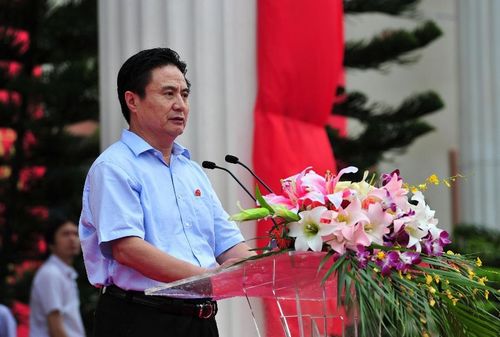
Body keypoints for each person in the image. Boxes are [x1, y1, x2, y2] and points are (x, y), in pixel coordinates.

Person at [79, 47, 254, 337]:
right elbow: (127, 248)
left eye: (184, 95)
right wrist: (209, 279)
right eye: (168, 93)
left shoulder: (192, 171)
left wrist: (269, 265)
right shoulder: (113, 167)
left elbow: (228, 244)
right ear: (132, 101)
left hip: (200, 321)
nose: (181, 105)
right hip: (141, 320)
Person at [29, 214, 85, 337]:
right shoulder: (50, 274)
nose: (72, 239)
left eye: (75, 234)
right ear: (51, 243)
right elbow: (56, 328)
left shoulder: (64, 273)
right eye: (65, 234)